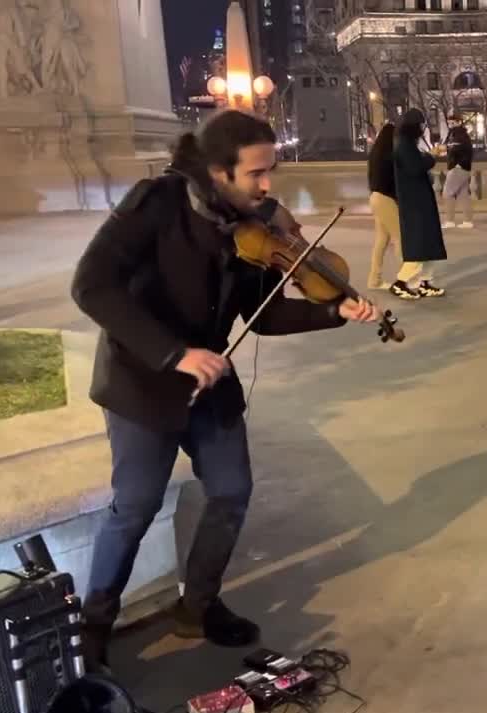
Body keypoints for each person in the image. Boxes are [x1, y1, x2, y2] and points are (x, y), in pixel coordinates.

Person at [70, 110, 382, 672]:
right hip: (143, 378)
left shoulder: (250, 228)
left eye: (272, 173)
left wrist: (334, 310)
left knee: (232, 489)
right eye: (256, 174)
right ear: (218, 171)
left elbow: (263, 318)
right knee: (135, 506)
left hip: (211, 377)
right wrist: (174, 353)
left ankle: (199, 605)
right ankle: (93, 623)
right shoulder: (155, 204)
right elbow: (90, 285)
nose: (268, 188)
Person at [391, 108, 448, 300]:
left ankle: (425, 282)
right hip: (415, 203)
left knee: (428, 244)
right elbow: (415, 168)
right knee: (419, 244)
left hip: (419, 200)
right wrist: (431, 157)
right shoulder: (404, 145)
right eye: (421, 125)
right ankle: (400, 282)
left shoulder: (405, 144)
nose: (422, 128)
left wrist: (428, 156)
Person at [367, 122, 402, 289]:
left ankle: (374, 279)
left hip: (375, 197)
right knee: (399, 237)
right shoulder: (389, 155)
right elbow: (394, 181)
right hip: (386, 199)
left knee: (382, 240)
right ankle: (407, 278)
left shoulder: (375, 153)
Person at [441, 124, 475, 230]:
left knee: (447, 193)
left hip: (458, 168)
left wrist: (455, 164)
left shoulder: (458, 138)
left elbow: (455, 151)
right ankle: (468, 221)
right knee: (463, 195)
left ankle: (450, 220)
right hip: (464, 168)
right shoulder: (464, 137)